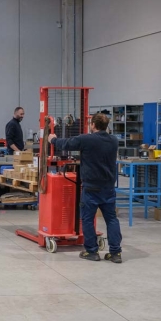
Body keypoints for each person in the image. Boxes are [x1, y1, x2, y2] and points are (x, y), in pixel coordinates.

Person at [48, 112, 123, 263]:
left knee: (87, 219)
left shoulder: (86, 139)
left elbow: (67, 144)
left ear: (93, 125)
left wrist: (53, 139)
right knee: (111, 219)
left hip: (91, 188)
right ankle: (115, 253)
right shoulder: (114, 141)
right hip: (108, 187)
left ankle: (91, 251)